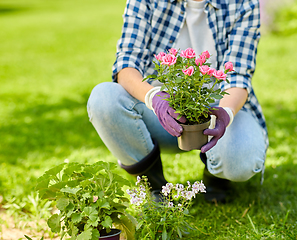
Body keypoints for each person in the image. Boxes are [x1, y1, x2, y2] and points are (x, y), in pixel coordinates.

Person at [87, 0, 268, 202]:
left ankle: (216, 179)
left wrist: (225, 114)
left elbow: (239, 75)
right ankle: (155, 188)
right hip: (160, 113)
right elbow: (127, 64)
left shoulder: (243, 3)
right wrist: (153, 98)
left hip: (218, 111)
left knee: (241, 160)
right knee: (104, 98)